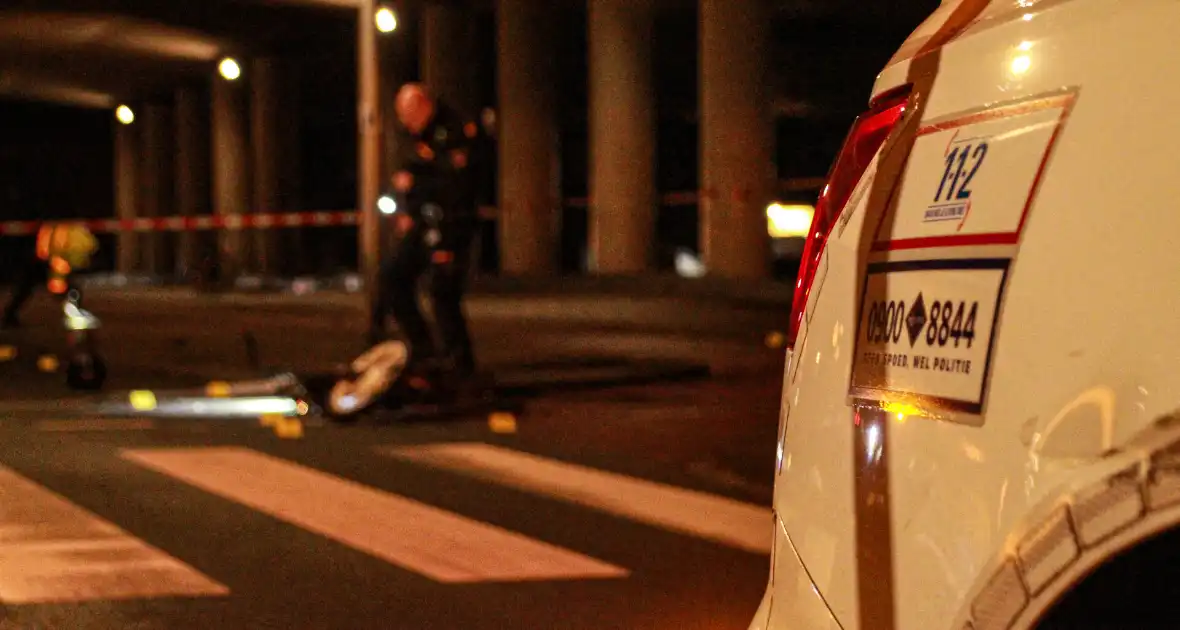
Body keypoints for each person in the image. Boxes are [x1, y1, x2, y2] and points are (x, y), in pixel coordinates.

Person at [372, 83, 491, 400]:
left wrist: (418, 184)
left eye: (407, 114)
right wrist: (407, 208)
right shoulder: (417, 138)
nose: (404, 122)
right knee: (392, 276)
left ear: (422, 106)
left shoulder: (453, 131)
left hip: (451, 224)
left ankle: (460, 365)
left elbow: (455, 183)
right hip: (423, 222)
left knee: (443, 294)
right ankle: (424, 351)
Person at [2, 221, 97, 329]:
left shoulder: (59, 228)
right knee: (71, 291)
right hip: (47, 263)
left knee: (26, 288)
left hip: (45, 261)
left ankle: (9, 315)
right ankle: (9, 316)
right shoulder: (61, 230)